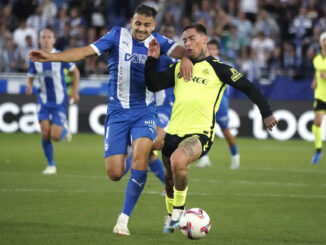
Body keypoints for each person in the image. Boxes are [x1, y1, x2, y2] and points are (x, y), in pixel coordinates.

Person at [29, 4, 192, 236]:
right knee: (115, 173)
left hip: (144, 112)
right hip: (117, 113)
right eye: (138, 23)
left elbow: (187, 52)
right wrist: (52, 57)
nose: (141, 28)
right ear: (131, 21)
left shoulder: (159, 41)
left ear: (153, 26)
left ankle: (123, 220)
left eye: (147, 25)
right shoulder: (116, 35)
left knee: (140, 159)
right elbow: (85, 51)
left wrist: (186, 58)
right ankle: (145, 149)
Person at [144, 23, 277, 233]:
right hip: (174, 131)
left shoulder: (219, 68)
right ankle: (170, 216)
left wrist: (266, 112)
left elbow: (249, 87)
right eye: (185, 40)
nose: (187, 43)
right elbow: (153, 84)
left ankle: (179, 211)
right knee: (169, 179)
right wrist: (152, 59)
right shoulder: (179, 67)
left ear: (205, 40)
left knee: (179, 161)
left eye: (192, 39)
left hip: (200, 133)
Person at [26, 28, 80, 174]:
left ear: (54, 40)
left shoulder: (60, 56)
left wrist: (74, 91)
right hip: (43, 101)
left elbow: (75, 72)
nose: (46, 39)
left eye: (49, 37)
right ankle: (51, 165)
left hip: (59, 102)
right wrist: (29, 84)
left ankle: (65, 130)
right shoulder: (35, 57)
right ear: (39, 39)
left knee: (55, 137)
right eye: (43, 37)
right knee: (44, 133)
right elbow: (31, 74)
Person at [196, 39, 240, 169]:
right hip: (205, 102)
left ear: (218, 51)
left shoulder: (223, 65)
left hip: (220, 102)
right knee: (201, 130)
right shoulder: (201, 64)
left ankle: (235, 157)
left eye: (214, 49)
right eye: (209, 49)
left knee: (225, 130)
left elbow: (231, 85)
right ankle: (204, 158)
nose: (211, 51)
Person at [311, 32, 326, 164]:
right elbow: (318, 72)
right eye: (324, 40)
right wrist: (315, 80)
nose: (325, 42)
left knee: (316, 124)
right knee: (317, 123)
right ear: (321, 42)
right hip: (320, 95)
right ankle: (318, 150)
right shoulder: (317, 59)